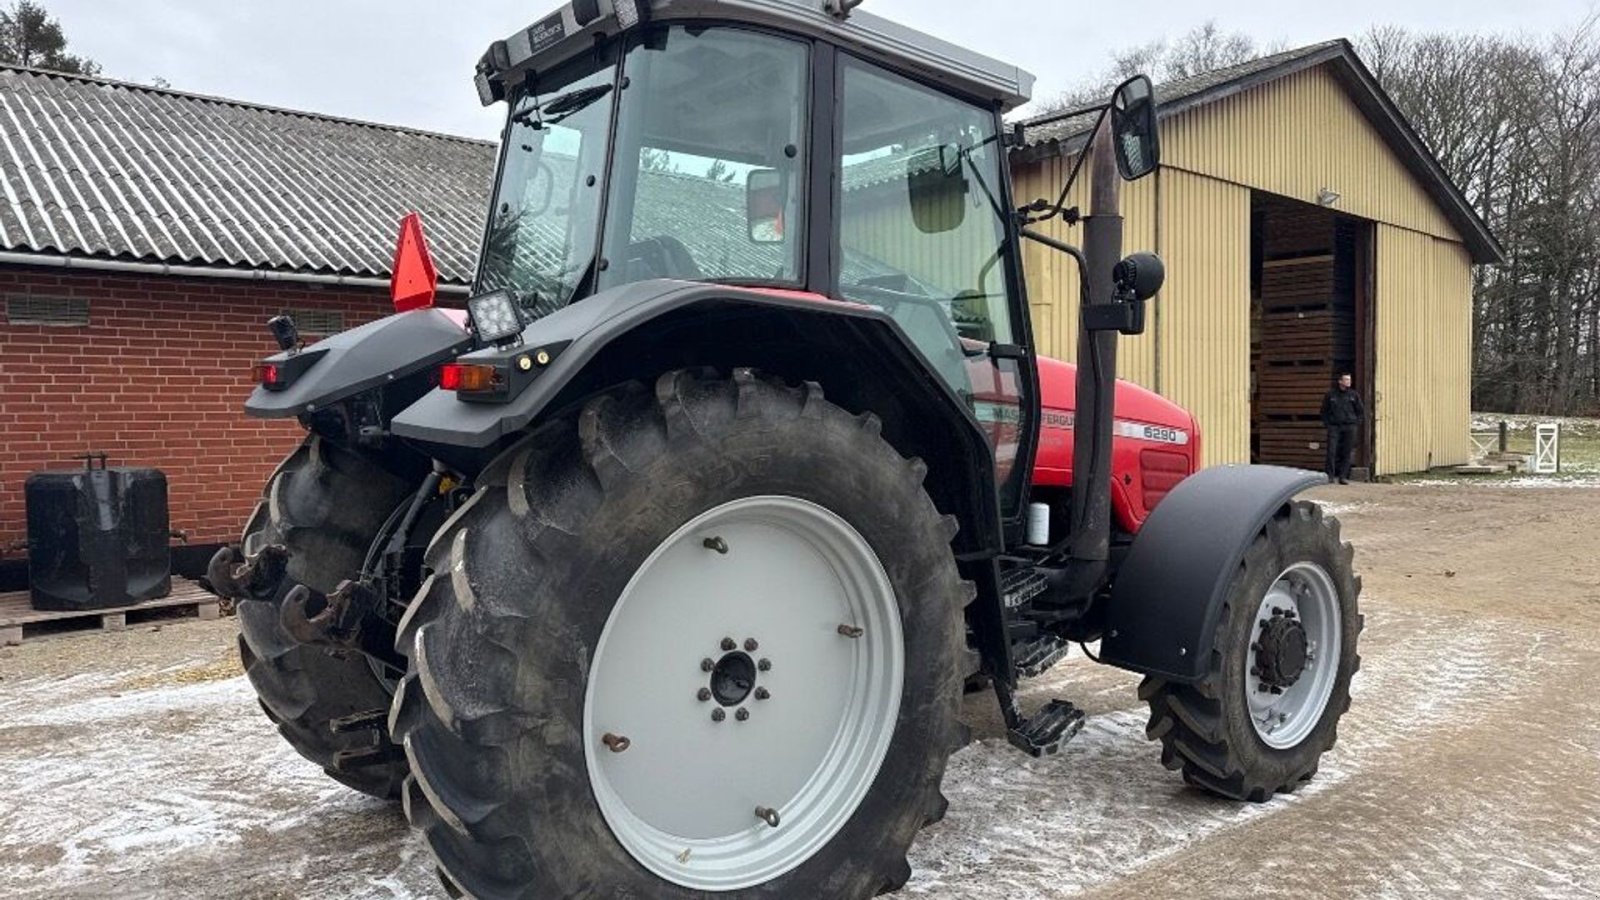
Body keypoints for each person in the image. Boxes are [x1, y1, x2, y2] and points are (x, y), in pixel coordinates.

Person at [1320, 373, 1364, 484]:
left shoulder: (1354, 395)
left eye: (1349, 380)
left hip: (1349, 427)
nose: (1348, 382)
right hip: (1334, 427)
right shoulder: (1331, 395)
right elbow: (1324, 411)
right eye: (1346, 380)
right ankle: (1330, 476)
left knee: (1347, 452)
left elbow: (1360, 411)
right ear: (1340, 381)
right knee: (1332, 451)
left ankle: (1343, 477)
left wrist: (1356, 423)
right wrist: (1327, 424)